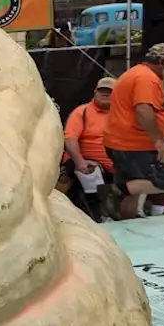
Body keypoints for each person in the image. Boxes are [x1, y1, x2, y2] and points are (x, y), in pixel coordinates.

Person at [103, 43, 164, 218]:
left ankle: (126, 223)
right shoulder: (146, 78)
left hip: (124, 142)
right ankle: (117, 189)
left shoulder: (136, 73)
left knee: (134, 190)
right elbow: (143, 109)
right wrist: (159, 141)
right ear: (163, 61)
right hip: (135, 145)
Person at [62, 76, 118, 221]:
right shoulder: (82, 111)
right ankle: (97, 216)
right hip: (86, 161)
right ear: (95, 92)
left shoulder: (123, 114)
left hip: (118, 163)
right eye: (102, 90)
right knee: (91, 173)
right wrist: (81, 162)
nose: (105, 94)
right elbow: (70, 138)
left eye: (109, 91)